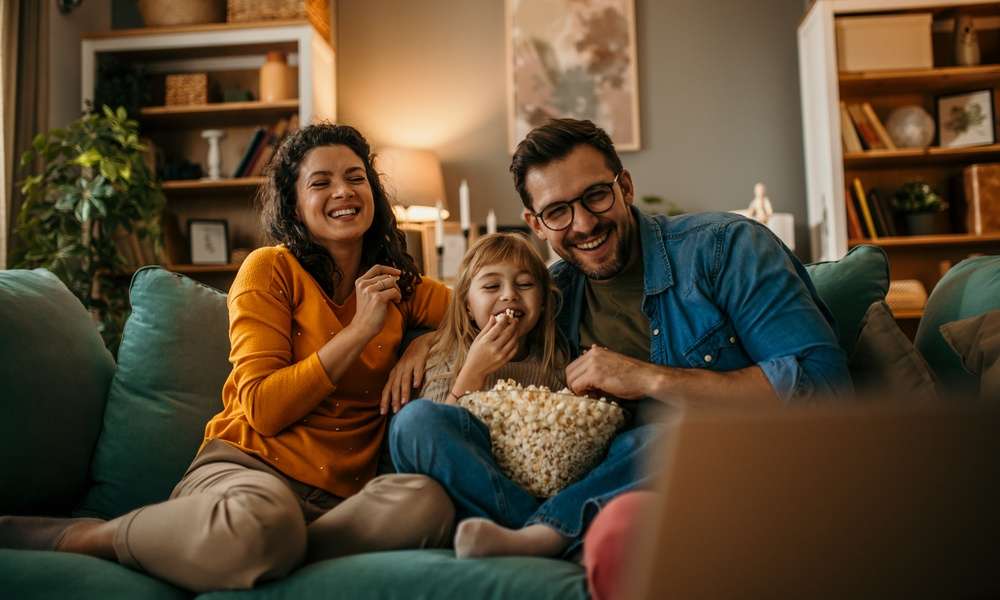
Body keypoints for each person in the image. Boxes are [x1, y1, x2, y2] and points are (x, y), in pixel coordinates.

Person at [0, 124, 456, 592]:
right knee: (263, 524)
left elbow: (477, 309)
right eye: (321, 182)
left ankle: (273, 551)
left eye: (355, 177)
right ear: (295, 204)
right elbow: (263, 407)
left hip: (339, 502)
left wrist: (426, 343)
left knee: (428, 503)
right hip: (246, 475)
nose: (343, 191)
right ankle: (96, 536)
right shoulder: (270, 269)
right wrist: (361, 330)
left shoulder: (396, 284)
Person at [389, 118, 851, 560]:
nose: (584, 224)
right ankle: (543, 533)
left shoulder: (726, 248)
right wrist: (421, 341)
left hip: (723, 465)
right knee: (413, 425)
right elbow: (477, 313)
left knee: (660, 434)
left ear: (624, 187)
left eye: (595, 196)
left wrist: (649, 379)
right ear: (536, 223)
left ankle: (547, 533)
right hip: (604, 483)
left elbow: (825, 388)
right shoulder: (556, 294)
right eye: (557, 212)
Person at [400, 232, 584, 558]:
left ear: (542, 302)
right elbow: (431, 437)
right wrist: (474, 371)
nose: (509, 295)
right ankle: (537, 530)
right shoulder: (446, 357)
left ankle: (530, 531)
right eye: (491, 286)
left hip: (535, 486)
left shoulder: (556, 361)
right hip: (468, 489)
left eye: (525, 285)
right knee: (414, 419)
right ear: (468, 306)